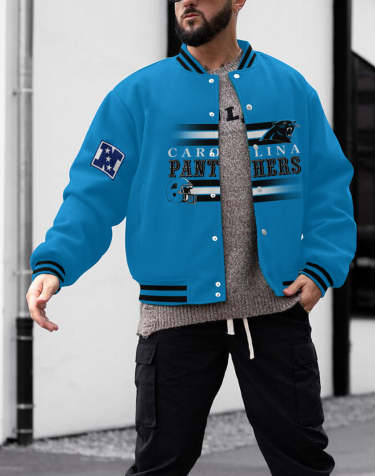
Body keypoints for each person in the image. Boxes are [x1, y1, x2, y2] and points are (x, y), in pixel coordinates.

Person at [26, 0, 357, 474]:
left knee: (303, 464)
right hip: (174, 315)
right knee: (160, 466)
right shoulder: (137, 96)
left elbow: (329, 186)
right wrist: (55, 262)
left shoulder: (290, 89)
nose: (186, 1)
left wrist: (321, 266)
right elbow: (94, 191)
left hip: (274, 310)